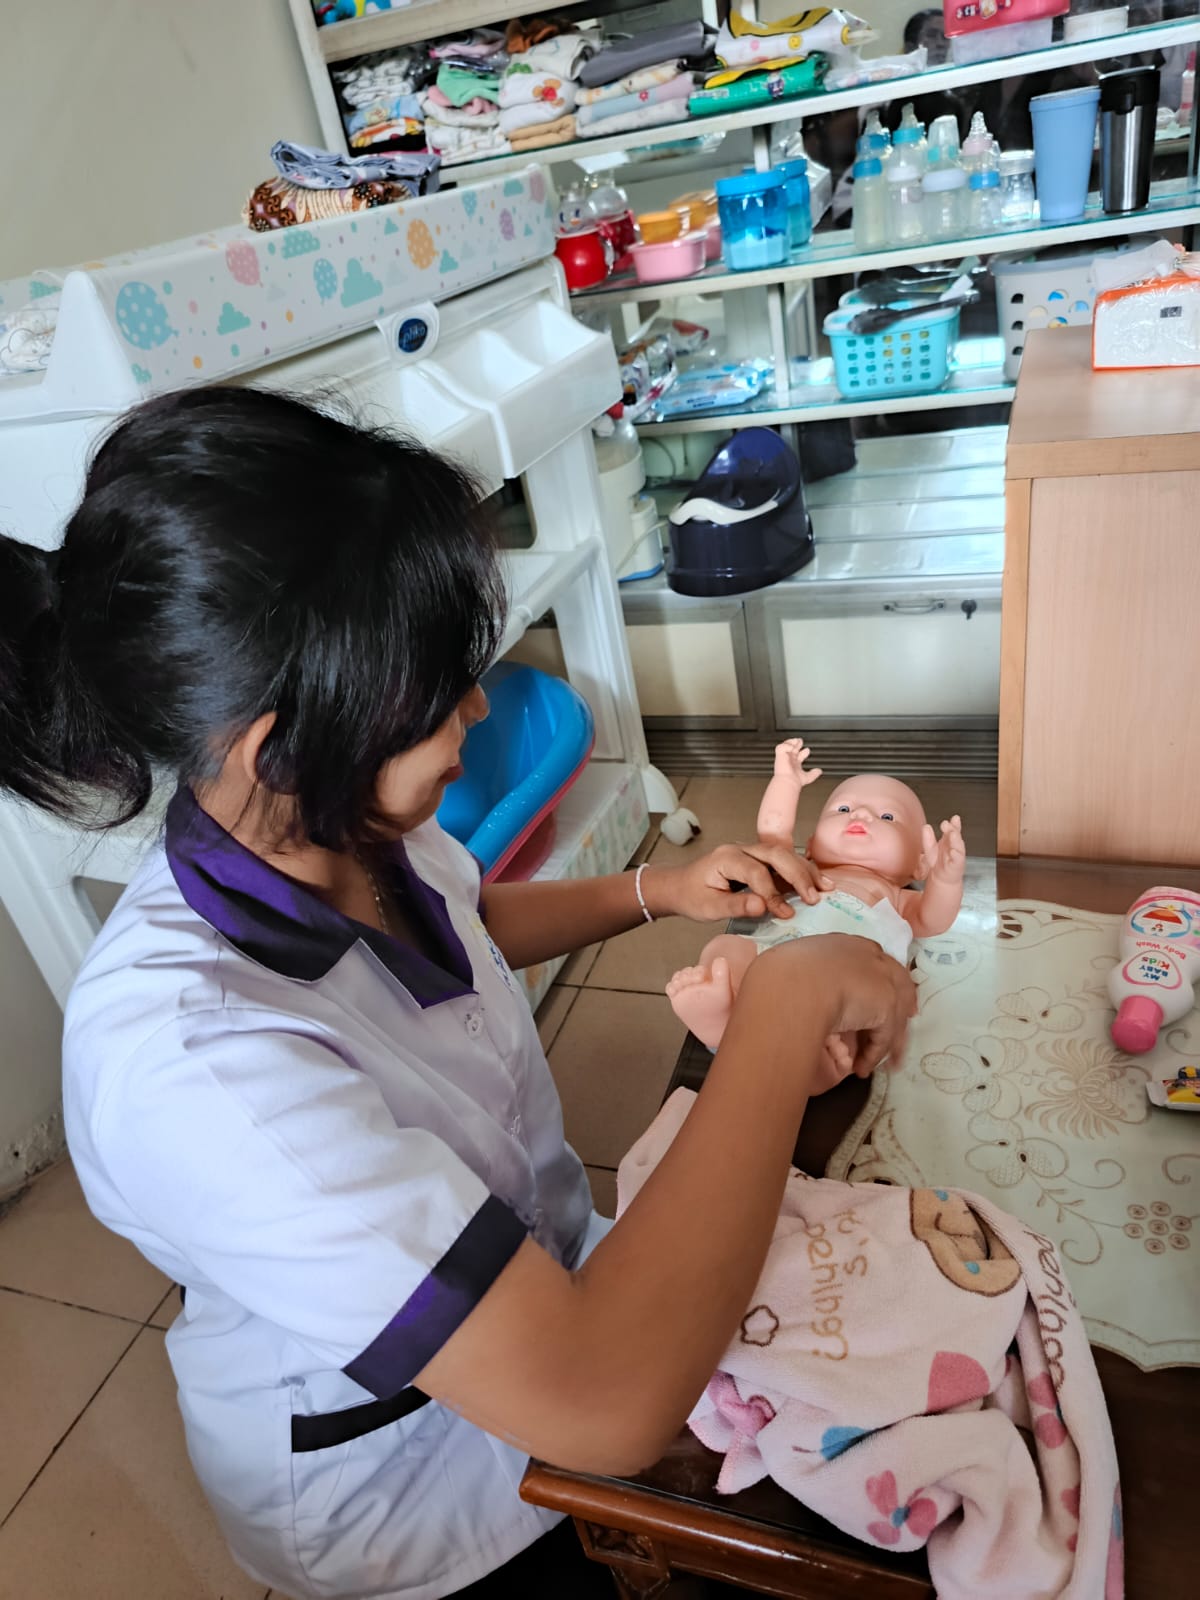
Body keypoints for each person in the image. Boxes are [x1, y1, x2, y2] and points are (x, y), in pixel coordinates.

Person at [0, 386, 916, 1600]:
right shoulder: (194, 1070)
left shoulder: (331, 820)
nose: (477, 709)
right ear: (282, 743)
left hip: (541, 1285)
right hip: (407, 1490)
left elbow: (461, 924)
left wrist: (660, 890)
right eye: (441, 691)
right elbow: (602, 1405)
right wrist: (785, 1008)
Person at [669, 739, 965, 1060]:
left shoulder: (897, 898)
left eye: (887, 816)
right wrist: (786, 783)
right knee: (724, 949)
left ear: (919, 864)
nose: (861, 814)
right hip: (773, 957)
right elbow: (773, 841)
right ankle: (721, 1022)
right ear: (810, 845)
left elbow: (933, 919)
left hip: (844, 982)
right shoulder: (804, 873)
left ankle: (817, 1061)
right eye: (843, 809)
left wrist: (945, 879)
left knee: (858, 1025)